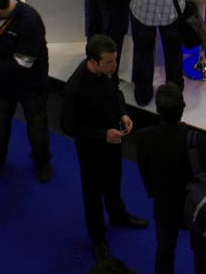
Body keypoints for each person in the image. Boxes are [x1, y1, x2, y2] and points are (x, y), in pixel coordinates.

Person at [61, 34, 148, 263]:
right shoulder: (75, 88)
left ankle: (118, 215)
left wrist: (123, 113)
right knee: (92, 194)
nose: (114, 65)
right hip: (91, 150)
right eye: (109, 62)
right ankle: (97, 238)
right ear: (93, 61)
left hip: (112, 144)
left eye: (115, 60)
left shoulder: (106, 72)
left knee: (114, 181)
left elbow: (116, 93)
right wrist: (102, 135)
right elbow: (68, 126)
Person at [137, 83, 206, 274]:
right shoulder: (201, 142)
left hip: (165, 205)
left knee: (165, 249)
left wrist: (155, 193)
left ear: (157, 110)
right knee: (203, 252)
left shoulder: (144, 138)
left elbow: (145, 171)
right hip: (198, 207)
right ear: (183, 107)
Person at [0, 0, 51, 182]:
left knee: (37, 128)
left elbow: (23, 64)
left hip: (30, 84)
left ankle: (42, 163)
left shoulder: (30, 21)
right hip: (1, 83)